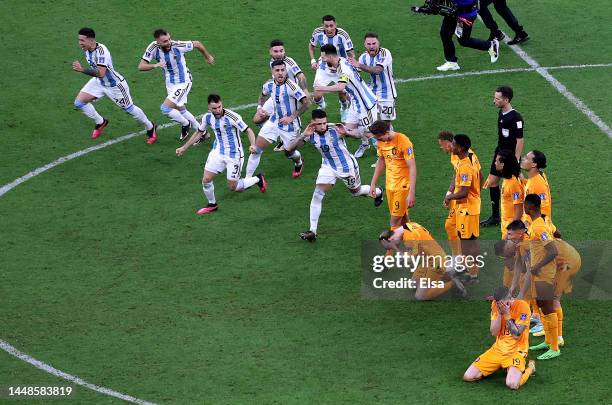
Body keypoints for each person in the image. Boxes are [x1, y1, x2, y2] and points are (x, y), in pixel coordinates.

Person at [286, 109, 383, 242]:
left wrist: (347, 133)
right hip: (328, 166)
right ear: (313, 122)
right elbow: (289, 149)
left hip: (346, 167)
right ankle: (312, 231)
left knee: (356, 192)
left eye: (324, 123)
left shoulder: (335, 128)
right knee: (317, 195)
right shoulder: (309, 133)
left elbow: (362, 133)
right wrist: (303, 135)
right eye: (319, 123)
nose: (322, 126)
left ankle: (378, 192)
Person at [175, 94, 265, 215]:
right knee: (206, 180)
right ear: (209, 108)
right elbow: (199, 132)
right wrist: (184, 147)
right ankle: (212, 204)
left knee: (233, 187)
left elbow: (248, 130)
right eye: (214, 108)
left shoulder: (232, 117)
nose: (218, 110)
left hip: (234, 155)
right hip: (217, 152)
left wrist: (253, 144)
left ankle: (258, 179)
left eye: (219, 107)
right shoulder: (207, 118)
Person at [72, 28, 157, 143]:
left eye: (82, 40)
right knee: (79, 102)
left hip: (114, 86)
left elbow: (101, 73)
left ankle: (150, 127)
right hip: (98, 82)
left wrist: (82, 70)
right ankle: (101, 122)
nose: (80, 43)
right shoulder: (87, 49)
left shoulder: (102, 52)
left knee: (129, 109)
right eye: (79, 40)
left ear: (91, 40)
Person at [138, 29, 214, 141]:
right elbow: (141, 66)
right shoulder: (153, 48)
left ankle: (185, 124)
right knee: (180, 109)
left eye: (169, 39)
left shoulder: (177, 45)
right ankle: (203, 133)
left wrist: (208, 57)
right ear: (157, 42)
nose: (168, 42)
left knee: (165, 109)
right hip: (170, 83)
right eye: (164, 41)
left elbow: (197, 44)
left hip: (184, 82)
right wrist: (155, 65)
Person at [463, 286, 535, 390]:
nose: (500, 306)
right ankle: (502, 366)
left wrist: (507, 314)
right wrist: (500, 314)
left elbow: (516, 335)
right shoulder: (496, 305)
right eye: (498, 304)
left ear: (510, 299)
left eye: (503, 304)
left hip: (517, 351)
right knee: (468, 377)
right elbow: (494, 332)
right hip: (498, 350)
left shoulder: (523, 307)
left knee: (512, 384)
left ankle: (530, 369)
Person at [247, 60, 310, 178]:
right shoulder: (269, 84)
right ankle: (247, 180)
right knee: (256, 149)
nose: (280, 73)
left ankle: (299, 162)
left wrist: (292, 117)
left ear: (286, 71)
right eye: (277, 70)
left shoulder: (292, 87)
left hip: (290, 126)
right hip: (274, 121)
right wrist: (259, 107)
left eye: (283, 70)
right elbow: (262, 95)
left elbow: (306, 103)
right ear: (272, 72)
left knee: (288, 153)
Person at [517, 194, 560, 360]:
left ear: (531, 208)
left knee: (548, 307)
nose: (523, 208)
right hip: (540, 272)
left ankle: (555, 347)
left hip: (545, 273)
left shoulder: (539, 227)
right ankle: (548, 341)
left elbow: (553, 251)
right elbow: (557, 234)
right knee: (542, 305)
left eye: (525, 206)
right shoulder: (538, 223)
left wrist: (537, 266)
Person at [314, 44, 379, 155]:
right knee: (346, 130)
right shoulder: (341, 61)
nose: (323, 60)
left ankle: (383, 156)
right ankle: (365, 143)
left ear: (330, 57)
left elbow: (341, 87)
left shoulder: (344, 68)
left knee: (370, 132)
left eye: (323, 58)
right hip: (355, 102)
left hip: (365, 104)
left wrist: (321, 88)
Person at [379, 222, 466, 300]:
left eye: (389, 247)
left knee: (420, 296)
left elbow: (409, 260)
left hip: (436, 262)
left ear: (391, 240)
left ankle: (454, 283)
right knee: (413, 284)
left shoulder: (409, 238)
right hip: (429, 260)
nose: (391, 249)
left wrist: (395, 248)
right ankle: (446, 276)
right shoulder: (408, 226)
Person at [349, 32, 397, 158]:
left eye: (374, 43)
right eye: (369, 44)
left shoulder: (385, 53)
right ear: (365, 45)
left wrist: (358, 65)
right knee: (365, 120)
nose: (371, 46)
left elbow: (378, 70)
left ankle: (390, 149)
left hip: (387, 94)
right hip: (372, 93)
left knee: (385, 125)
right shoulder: (364, 57)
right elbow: (354, 72)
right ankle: (366, 143)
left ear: (378, 43)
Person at [482, 85, 524, 226]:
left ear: (506, 100)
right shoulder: (501, 113)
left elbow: (520, 140)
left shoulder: (516, 117)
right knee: (493, 182)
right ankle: (495, 216)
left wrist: (516, 160)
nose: (494, 101)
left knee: (517, 184)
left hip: (510, 157)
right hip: (500, 152)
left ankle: (526, 212)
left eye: (497, 98)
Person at [443, 134, 482, 283]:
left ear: (460, 148)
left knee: (469, 243)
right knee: (462, 238)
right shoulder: (462, 160)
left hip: (468, 209)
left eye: (453, 144)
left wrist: (449, 197)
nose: (450, 146)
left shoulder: (466, 166)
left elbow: (465, 192)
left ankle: (472, 273)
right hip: (463, 207)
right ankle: (464, 267)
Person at [260, 39, 309, 152]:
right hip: (276, 93)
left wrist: (305, 90)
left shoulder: (289, 62)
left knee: (289, 147)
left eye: (281, 51)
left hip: (291, 96)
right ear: (270, 52)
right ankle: (278, 132)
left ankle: (304, 136)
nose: (279, 54)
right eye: (276, 51)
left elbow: (301, 76)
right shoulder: (272, 62)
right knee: (258, 118)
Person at [437, 130, 481, 257]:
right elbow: (457, 173)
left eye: (442, 145)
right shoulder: (458, 157)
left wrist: (476, 193)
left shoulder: (468, 160)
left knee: (468, 240)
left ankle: (472, 271)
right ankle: (457, 257)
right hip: (460, 200)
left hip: (468, 204)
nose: (442, 147)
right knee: (450, 225)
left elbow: (478, 176)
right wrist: (449, 192)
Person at [369, 121, 416, 230]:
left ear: (387, 132)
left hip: (403, 186)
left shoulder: (403, 141)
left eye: (380, 138)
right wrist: (373, 183)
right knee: (404, 219)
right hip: (390, 186)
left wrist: (412, 192)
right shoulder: (380, 142)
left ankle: (390, 247)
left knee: (394, 222)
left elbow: (412, 167)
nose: (378, 141)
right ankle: (413, 244)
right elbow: (381, 161)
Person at [309, 15, 354, 119]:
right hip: (323, 68)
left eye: (331, 26)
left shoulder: (343, 35)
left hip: (340, 69)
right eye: (326, 26)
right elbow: (311, 46)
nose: (329, 29)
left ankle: (343, 107)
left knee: (342, 93)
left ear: (335, 24)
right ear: (322, 25)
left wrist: (350, 65)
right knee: (317, 95)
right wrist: (313, 60)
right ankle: (322, 105)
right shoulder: (317, 32)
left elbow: (350, 52)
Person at [436, 0, 500, 71]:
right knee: (445, 33)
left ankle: (490, 45)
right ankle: (451, 62)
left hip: (465, 14)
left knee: (464, 41)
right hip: (454, 11)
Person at [494, 149, 524, 237]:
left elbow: (519, 209)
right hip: (506, 225)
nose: (495, 163)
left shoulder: (513, 183)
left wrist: (511, 231)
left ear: (503, 164)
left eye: (496, 161)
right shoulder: (507, 179)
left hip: (511, 228)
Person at [521, 150, 552, 221]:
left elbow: (544, 208)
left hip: (536, 228)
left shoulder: (539, 184)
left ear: (534, 164)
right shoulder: (534, 178)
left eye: (526, 158)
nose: (523, 159)